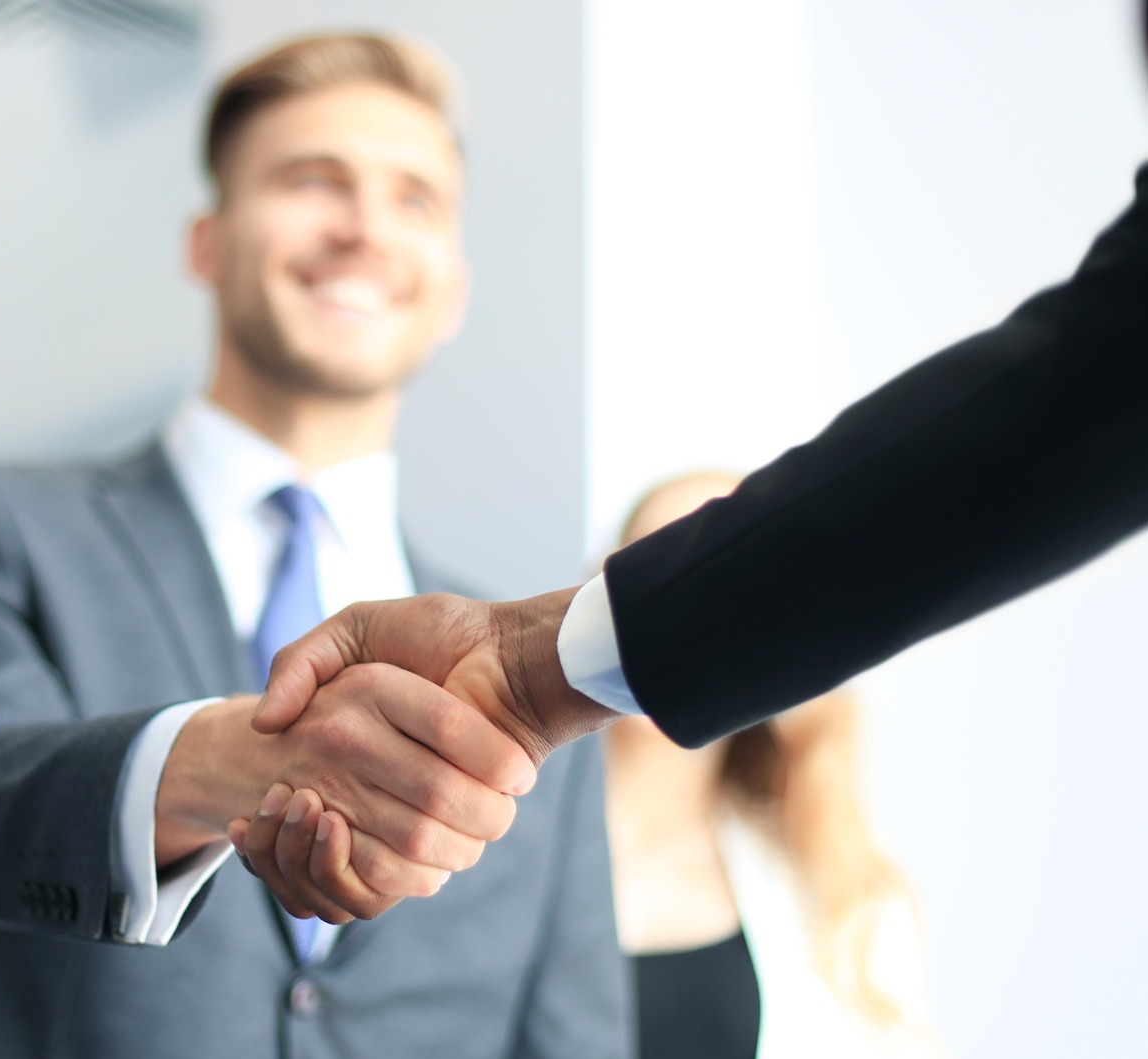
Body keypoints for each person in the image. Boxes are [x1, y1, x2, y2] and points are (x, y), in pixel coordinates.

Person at [0, 33, 632, 1059]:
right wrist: (243, 756)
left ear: (452, 289)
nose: (362, 227)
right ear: (209, 243)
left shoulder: (541, 678)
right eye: (315, 180)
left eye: (414, 199)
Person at [236, 144, 1148, 924]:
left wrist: (530, 666)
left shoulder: (831, 904)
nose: (361, 228)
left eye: (413, 196)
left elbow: (1086, 388)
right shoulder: (503, 811)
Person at [603, 473, 943, 1059]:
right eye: (652, 576)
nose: (675, 626)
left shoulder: (843, 890)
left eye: (721, 594)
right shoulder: (492, 845)